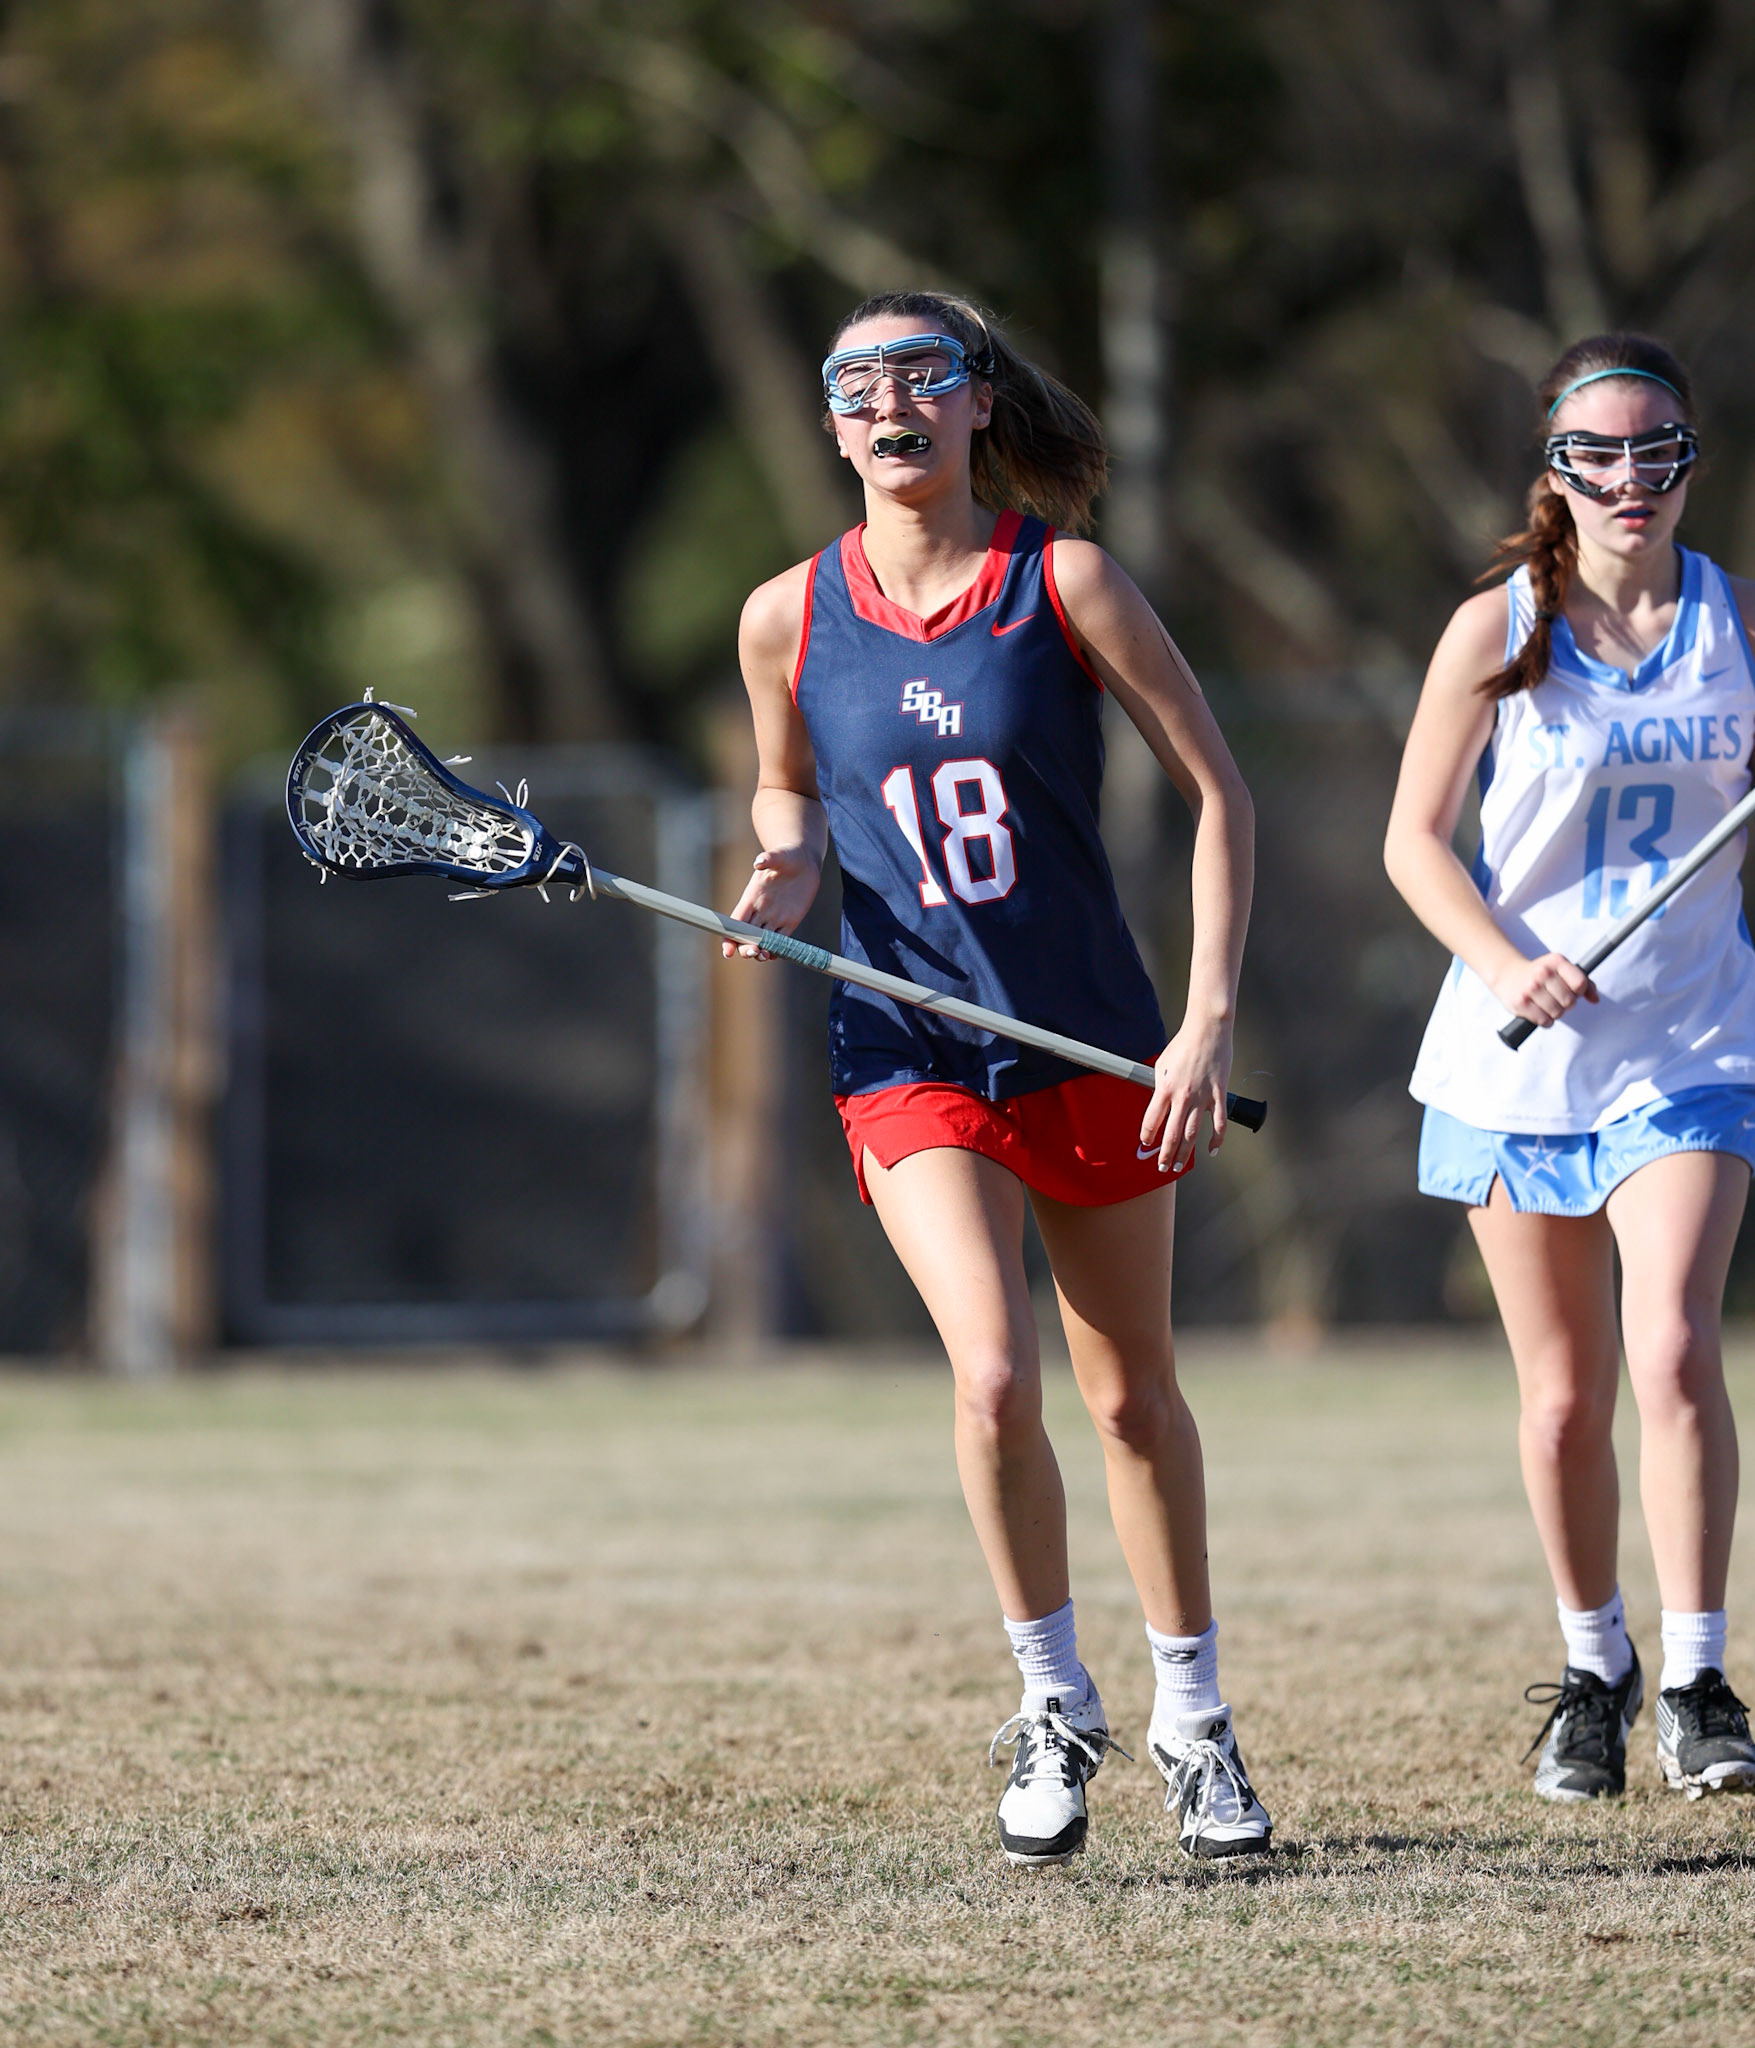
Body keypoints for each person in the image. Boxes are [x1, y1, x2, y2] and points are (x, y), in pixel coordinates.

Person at [724, 292, 1268, 1865]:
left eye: (922, 375)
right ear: (833, 426)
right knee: (992, 1376)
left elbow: (1221, 793)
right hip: (909, 1044)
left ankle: (1195, 1717)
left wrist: (1206, 1018)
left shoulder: (1066, 582)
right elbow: (788, 793)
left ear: (974, 407)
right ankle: (1051, 1700)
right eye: (857, 383)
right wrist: (780, 868)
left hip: (1090, 1035)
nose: (891, 402)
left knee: (1131, 1397)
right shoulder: (787, 614)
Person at [1385, 333, 1755, 1803]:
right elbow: (1413, 840)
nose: (1628, 479)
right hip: (1517, 1051)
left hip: (1690, 1037)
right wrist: (1500, 959)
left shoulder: (1736, 624)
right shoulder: (1501, 627)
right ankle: (1593, 1665)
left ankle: (1700, 1677)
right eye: (1597, 453)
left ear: (1687, 462)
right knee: (1563, 1395)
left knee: (1670, 1343)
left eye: (1654, 451)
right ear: (1554, 468)